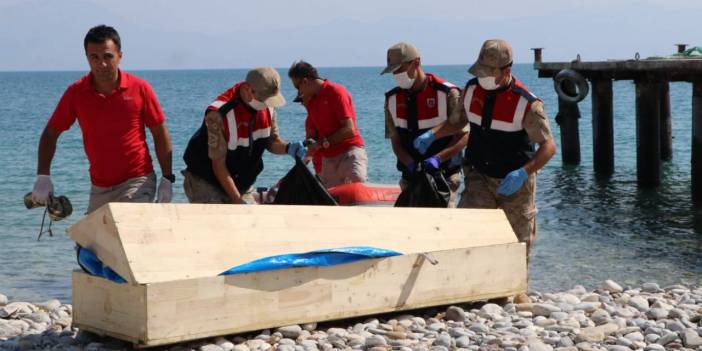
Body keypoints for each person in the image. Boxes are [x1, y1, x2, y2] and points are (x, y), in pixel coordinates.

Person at [415, 39, 556, 255]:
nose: (483, 78)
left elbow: (548, 147)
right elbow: (457, 122)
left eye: (489, 73)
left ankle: (516, 288)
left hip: (515, 182)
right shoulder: (471, 90)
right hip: (478, 176)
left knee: (517, 245)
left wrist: (524, 172)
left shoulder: (527, 103)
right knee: (467, 235)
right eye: (481, 71)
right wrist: (432, 134)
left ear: (507, 69)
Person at [32, 25, 174, 214]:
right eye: (94, 57)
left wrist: (166, 178)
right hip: (99, 187)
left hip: (138, 181)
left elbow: (159, 132)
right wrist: (43, 176)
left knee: (125, 232)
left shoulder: (140, 88)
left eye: (108, 56)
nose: (102, 64)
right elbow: (51, 133)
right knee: (91, 243)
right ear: (87, 58)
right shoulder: (76, 93)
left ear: (120, 56)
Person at [182, 67, 304, 204]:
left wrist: (288, 148)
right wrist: (237, 201)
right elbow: (218, 165)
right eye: (263, 100)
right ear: (247, 90)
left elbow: (272, 142)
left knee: (249, 221)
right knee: (216, 222)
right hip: (205, 181)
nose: (267, 105)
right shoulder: (217, 115)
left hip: (242, 182)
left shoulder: (268, 105)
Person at [380, 42, 468, 207]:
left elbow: (463, 136)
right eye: (393, 71)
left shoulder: (448, 94)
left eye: (400, 69)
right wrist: (410, 164)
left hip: (444, 178)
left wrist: (438, 159)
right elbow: (396, 142)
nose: (397, 75)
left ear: (416, 63)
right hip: (410, 179)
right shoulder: (391, 100)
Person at [288, 61, 368, 188]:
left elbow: (349, 130)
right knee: (331, 202)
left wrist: (321, 143)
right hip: (328, 159)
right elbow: (312, 137)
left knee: (356, 186)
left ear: (305, 81)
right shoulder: (312, 103)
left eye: (297, 88)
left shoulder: (336, 92)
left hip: (349, 151)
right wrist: (302, 148)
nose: (299, 93)